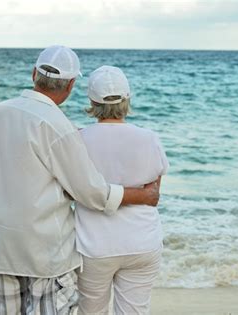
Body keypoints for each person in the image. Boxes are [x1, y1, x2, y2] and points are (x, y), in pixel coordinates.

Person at [0, 46, 160, 315]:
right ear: (71, 85)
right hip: (44, 254)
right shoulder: (57, 125)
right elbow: (91, 193)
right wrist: (142, 196)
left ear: (33, 74)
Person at [75, 66, 169, 315]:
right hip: (142, 242)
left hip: (94, 246)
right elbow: (154, 192)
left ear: (92, 101)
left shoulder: (78, 139)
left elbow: (73, 191)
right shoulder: (149, 138)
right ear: (127, 99)